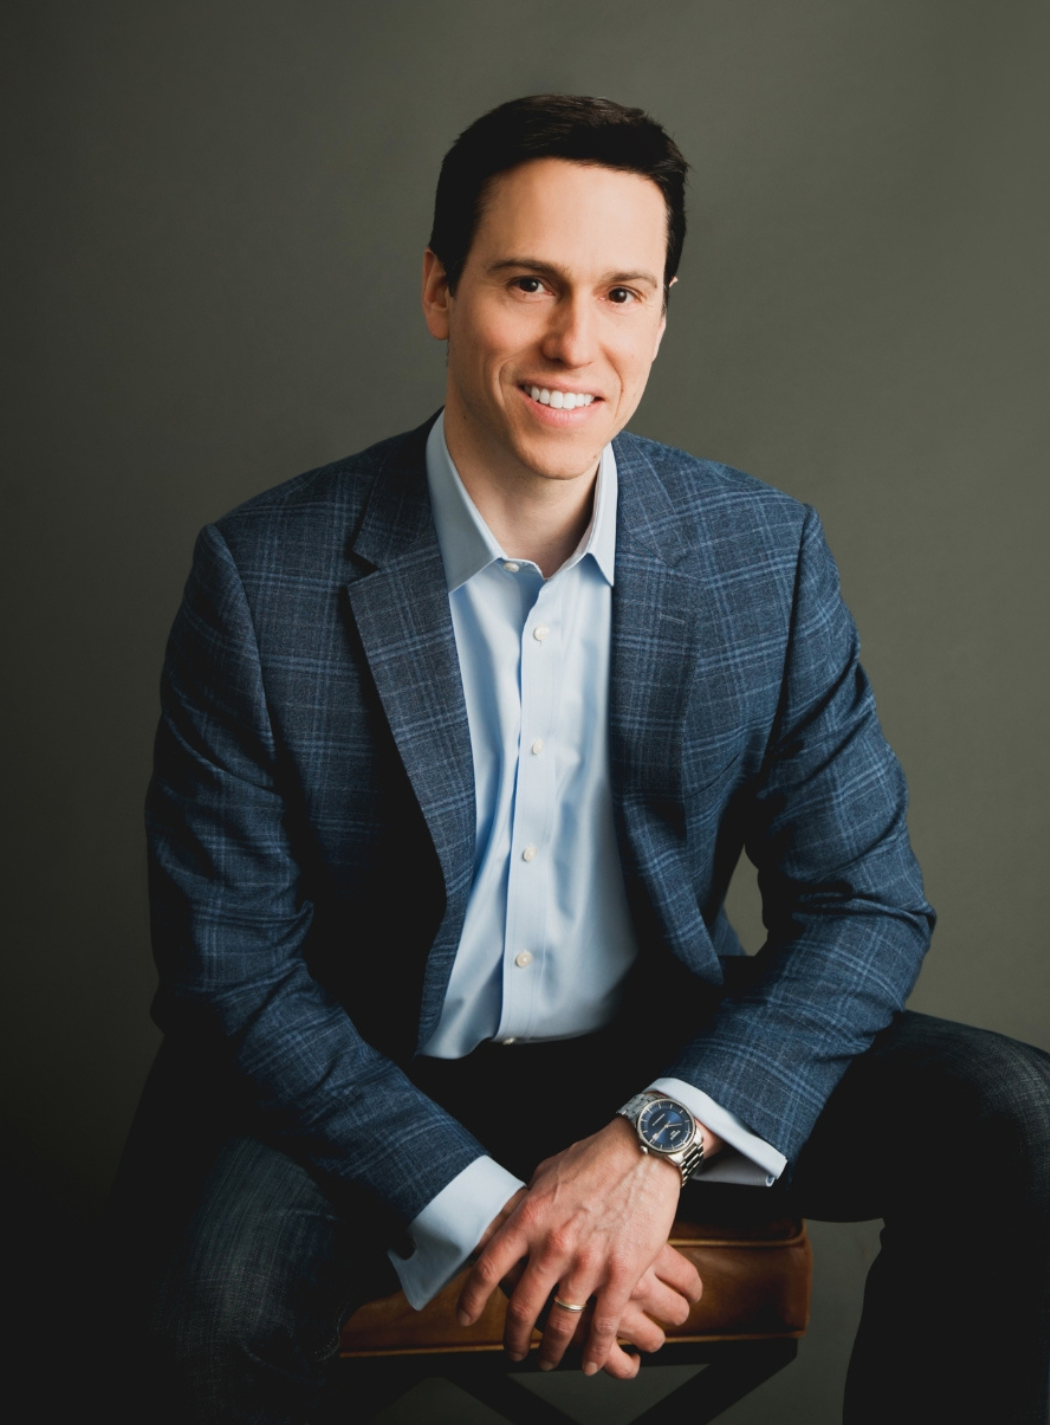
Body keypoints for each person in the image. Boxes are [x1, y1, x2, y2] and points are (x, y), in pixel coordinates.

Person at [111, 94, 1050, 1423]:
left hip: (659, 1052)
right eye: (528, 283)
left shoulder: (758, 556)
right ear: (440, 291)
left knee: (1019, 1117)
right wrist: (508, 1215)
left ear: (662, 312)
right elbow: (229, 977)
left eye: (621, 292)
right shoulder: (261, 576)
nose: (575, 341)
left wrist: (653, 1141)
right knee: (214, 1303)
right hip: (364, 1067)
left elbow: (862, 905)